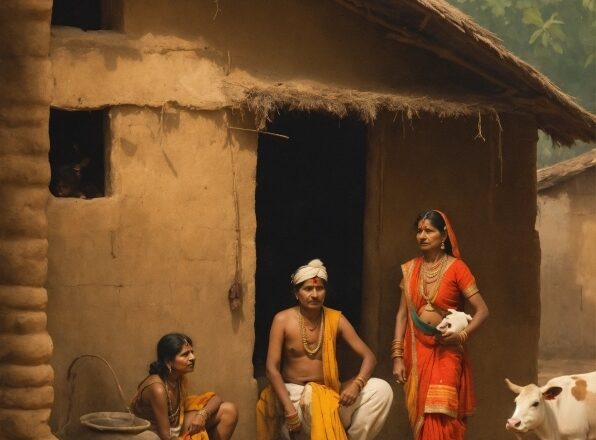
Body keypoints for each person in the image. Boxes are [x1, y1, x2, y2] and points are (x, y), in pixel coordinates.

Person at [257, 259, 393, 440]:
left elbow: (369, 357)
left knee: (382, 389)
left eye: (319, 289)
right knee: (312, 395)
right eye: (307, 289)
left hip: (329, 394)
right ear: (297, 293)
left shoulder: (335, 319)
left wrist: (356, 384)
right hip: (295, 397)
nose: (314, 294)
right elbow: (271, 369)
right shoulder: (282, 320)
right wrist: (289, 409)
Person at [392, 210, 489, 439]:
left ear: (443, 235)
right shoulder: (409, 269)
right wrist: (397, 356)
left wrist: (462, 336)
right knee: (421, 418)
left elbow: (482, 311)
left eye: (429, 231)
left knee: (441, 414)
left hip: (447, 350)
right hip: (416, 351)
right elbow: (401, 316)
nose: (422, 236)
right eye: (419, 231)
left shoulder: (457, 268)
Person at [131, 333, 238, 440]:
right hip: (156, 436)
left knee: (229, 411)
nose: (193, 357)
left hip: (176, 429)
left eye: (192, 352)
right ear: (168, 361)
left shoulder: (178, 379)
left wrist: (202, 416)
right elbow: (166, 436)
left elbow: (217, 399)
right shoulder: (157, 388)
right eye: (185, 354)